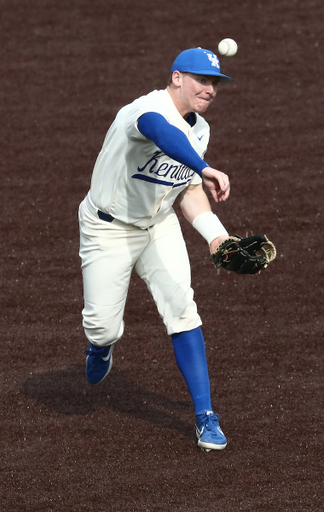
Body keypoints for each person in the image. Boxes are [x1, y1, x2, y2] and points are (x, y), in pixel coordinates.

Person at [78, 47, 234, 451]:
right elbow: (160, 133)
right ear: (177, 77)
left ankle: (205, 416)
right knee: (102, 325)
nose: (209, 89)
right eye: (202, 80)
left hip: (158, 225)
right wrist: (204, 166)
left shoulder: (200, 130)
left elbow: (186, 190)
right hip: (107, 228)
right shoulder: (144, 111)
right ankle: (101, 344)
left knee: (183, 308)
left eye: (214, 83)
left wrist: (216, 235)